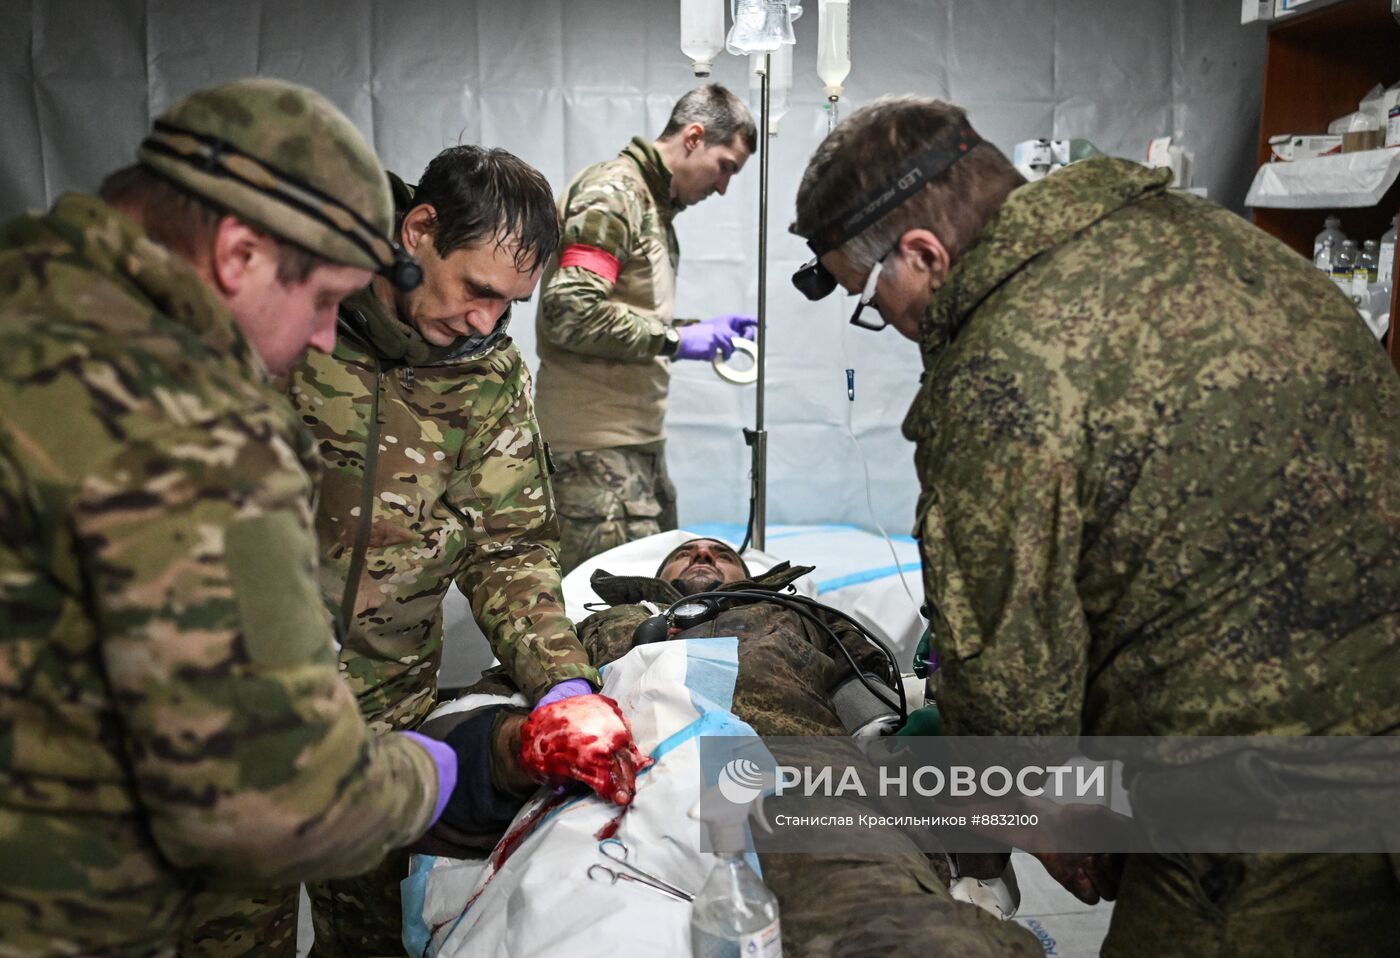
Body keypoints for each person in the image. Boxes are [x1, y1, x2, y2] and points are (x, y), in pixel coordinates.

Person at [789, 96, 1400, 956]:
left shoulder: (1003, 369)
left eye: (871, 298)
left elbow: (1006, 680)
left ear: (924, 254)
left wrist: (1053, 821)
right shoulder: (1215, 243)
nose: (887, 324)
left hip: (1268, 804)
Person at [0, 79, 532, 957]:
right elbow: (267, 800)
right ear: (239, 254)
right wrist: (445, 771)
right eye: (323, 299)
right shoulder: (191, 425)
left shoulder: (31, 298)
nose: (323, 337)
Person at [185, 147, 616, 956]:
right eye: (477, 289)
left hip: (387, 726)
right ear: (419, 231)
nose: (487, 321)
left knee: (382, 940)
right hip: (241, 722)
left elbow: (511, 545)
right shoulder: (278, 319)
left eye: (510, 305)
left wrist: (561, 685)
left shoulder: (488, 373)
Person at [452, 537, 1044, 957]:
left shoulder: (796, 614)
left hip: (794, 776)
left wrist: (889, 745)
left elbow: (869, 690)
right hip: (616, 772)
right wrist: (518, 744)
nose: (704, 555)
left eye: (722, 554)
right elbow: (494, 703)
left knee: (891, 929)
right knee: (577, 927)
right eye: (687, 552)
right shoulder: (591, 626)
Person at [535, 85, 758, 573]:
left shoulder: (653, 207)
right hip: (594, 454)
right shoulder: (614, 193)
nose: (723, 187)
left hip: (630, 449)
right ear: (694, 137)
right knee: (604, 623)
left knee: (651, 618)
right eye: (726, 167)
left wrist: (696, 331)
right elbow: (569, 311)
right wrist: (676, 340)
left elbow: (617, 310)